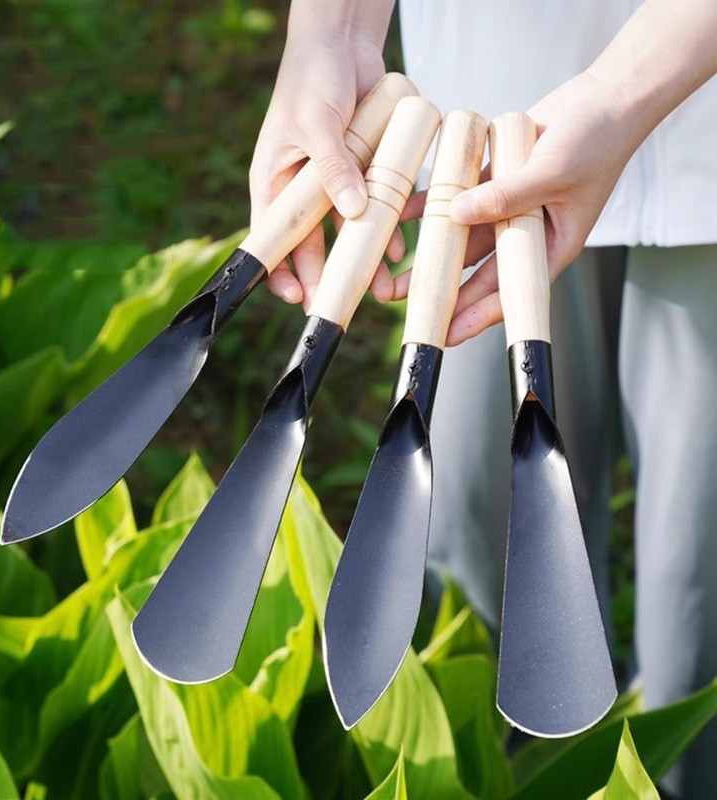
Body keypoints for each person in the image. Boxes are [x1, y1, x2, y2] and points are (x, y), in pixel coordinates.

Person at [249, 2, 717, 797]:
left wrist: (616, 99)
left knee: (699, 579)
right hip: (488, 131)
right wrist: (330, 32)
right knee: (476, 531)